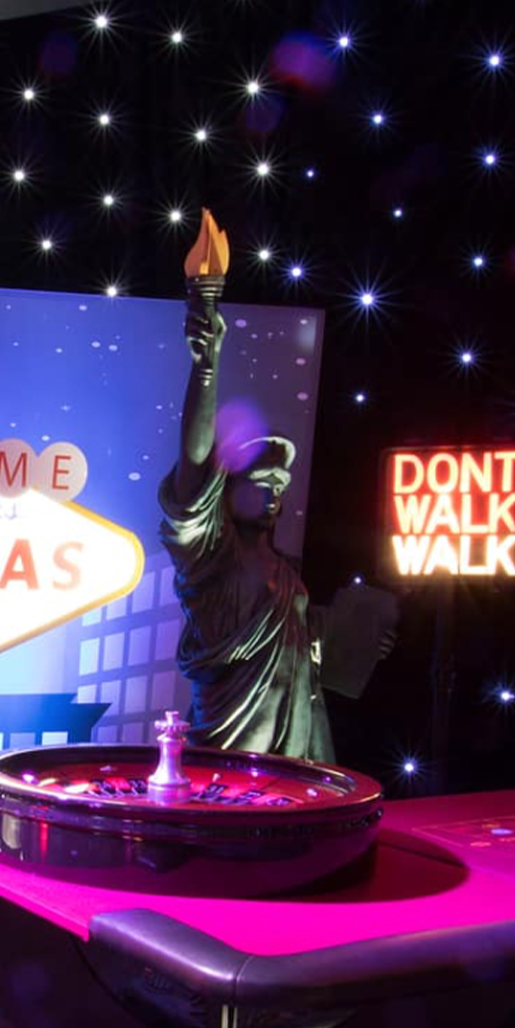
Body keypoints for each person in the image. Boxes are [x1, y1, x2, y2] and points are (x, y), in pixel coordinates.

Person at [164, 236, 337, 761]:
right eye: (263, 481)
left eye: (281, 486)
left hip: (296, 751)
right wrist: (207, 364)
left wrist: (345, 636)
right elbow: (195, 461)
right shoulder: (210, 554)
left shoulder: (283, 568)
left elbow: (300, 660)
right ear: (228, 488)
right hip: (230, 749)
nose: (275, 494)